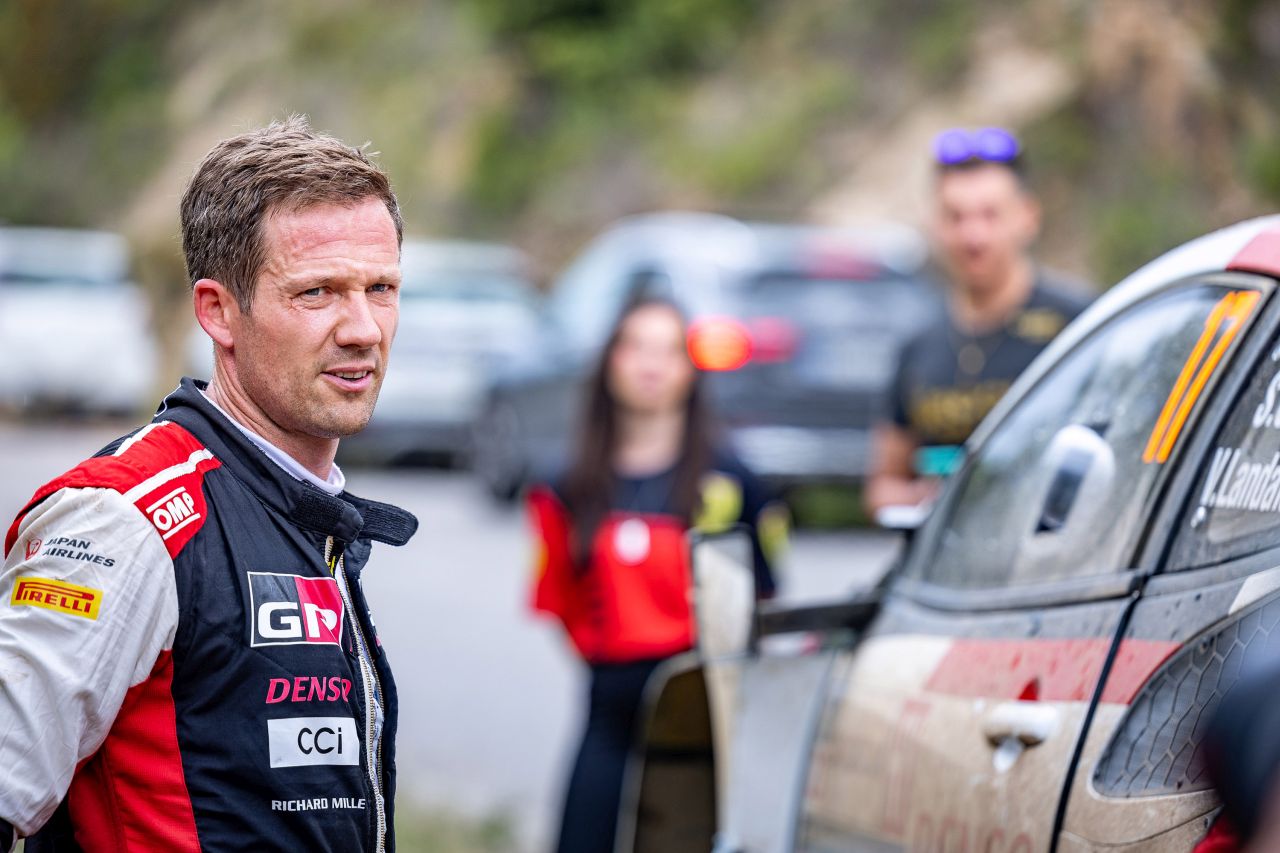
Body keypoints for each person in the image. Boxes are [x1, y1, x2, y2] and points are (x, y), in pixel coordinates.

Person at [0, 116, 417, 852]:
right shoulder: (124, 518)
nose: (363, 328)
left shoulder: (305, 507)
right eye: (318, 292)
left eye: (380, 287)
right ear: (218, 312)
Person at [527, 296, 786, 853]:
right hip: (606, 707)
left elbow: (762, 594)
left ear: (690, 370)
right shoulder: (567, 483)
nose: (651, 365)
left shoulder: (733, 481)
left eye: (669, 350)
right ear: (609, 361)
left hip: (699, 712)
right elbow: (557, 596)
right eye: (636, 347)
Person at [866, 126, 1091, 519]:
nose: (973, 236)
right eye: (955, 217)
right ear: (934, 225)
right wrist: (923, 498)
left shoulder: (1077, 325)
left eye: (990, 215)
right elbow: (882, 486)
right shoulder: (919, 345)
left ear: (1028, 217)